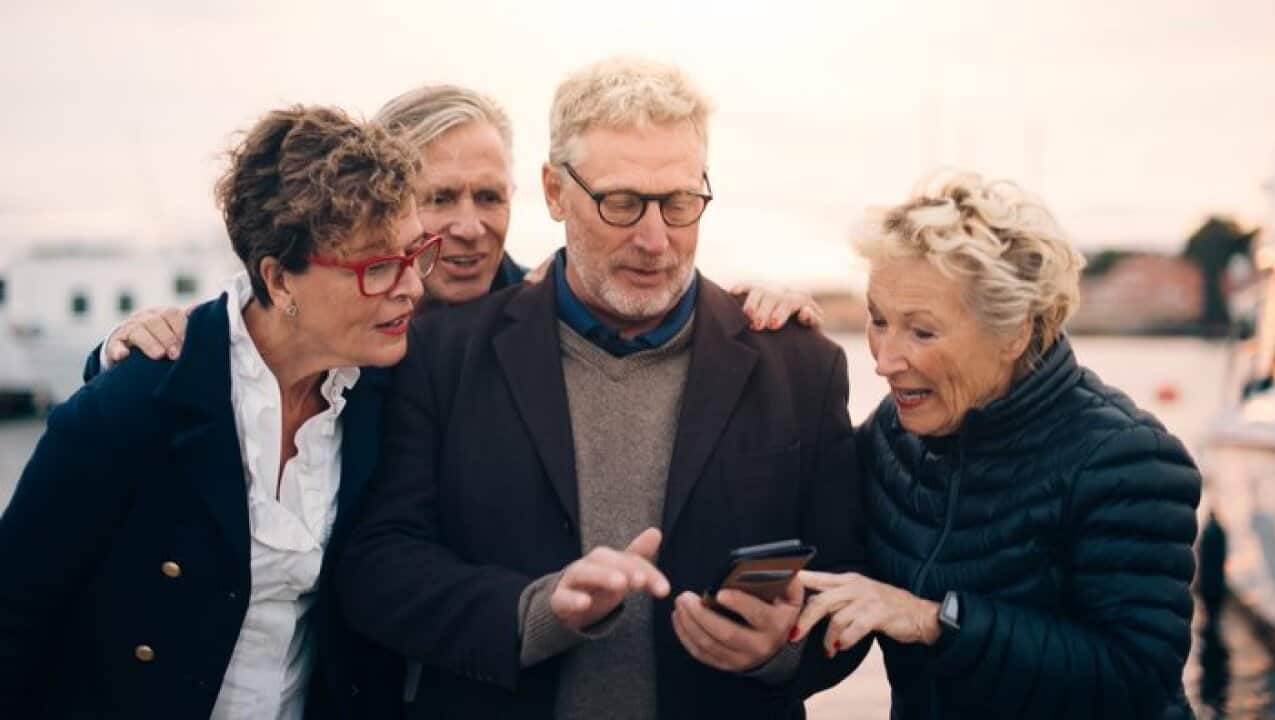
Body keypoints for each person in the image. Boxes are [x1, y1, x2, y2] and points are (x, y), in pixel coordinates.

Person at [336, 56, 866, 720]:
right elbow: (378, 568)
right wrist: (535, 611)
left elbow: (848, 587)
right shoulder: (438, 355)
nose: (654, 239)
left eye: (678, 203)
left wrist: (777, 652)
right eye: (620, 203)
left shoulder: (800, 365)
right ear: (555, 193)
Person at [0, 106, 431, 719]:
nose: (412, 286)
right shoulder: (130, 410)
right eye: (378, 267)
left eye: (416, 254)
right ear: (279, 281)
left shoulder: (382, 392)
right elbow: (13, 618)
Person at [790, 171, 1201, 719]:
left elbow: (1135, 677)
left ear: (1014, 332)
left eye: (922, 332)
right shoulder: (893, 436)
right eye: (878, 320)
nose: (884, 359)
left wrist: (936, 620)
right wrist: (766, 334)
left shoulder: (1130, 459)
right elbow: (811, 525)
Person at [89, 85, 822, 370]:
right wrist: (127, 341)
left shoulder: (536, 304)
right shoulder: (325, 314)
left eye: (489, 197)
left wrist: (747, 304)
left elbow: (647, 293)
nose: (469, 229)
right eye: (440, 200)